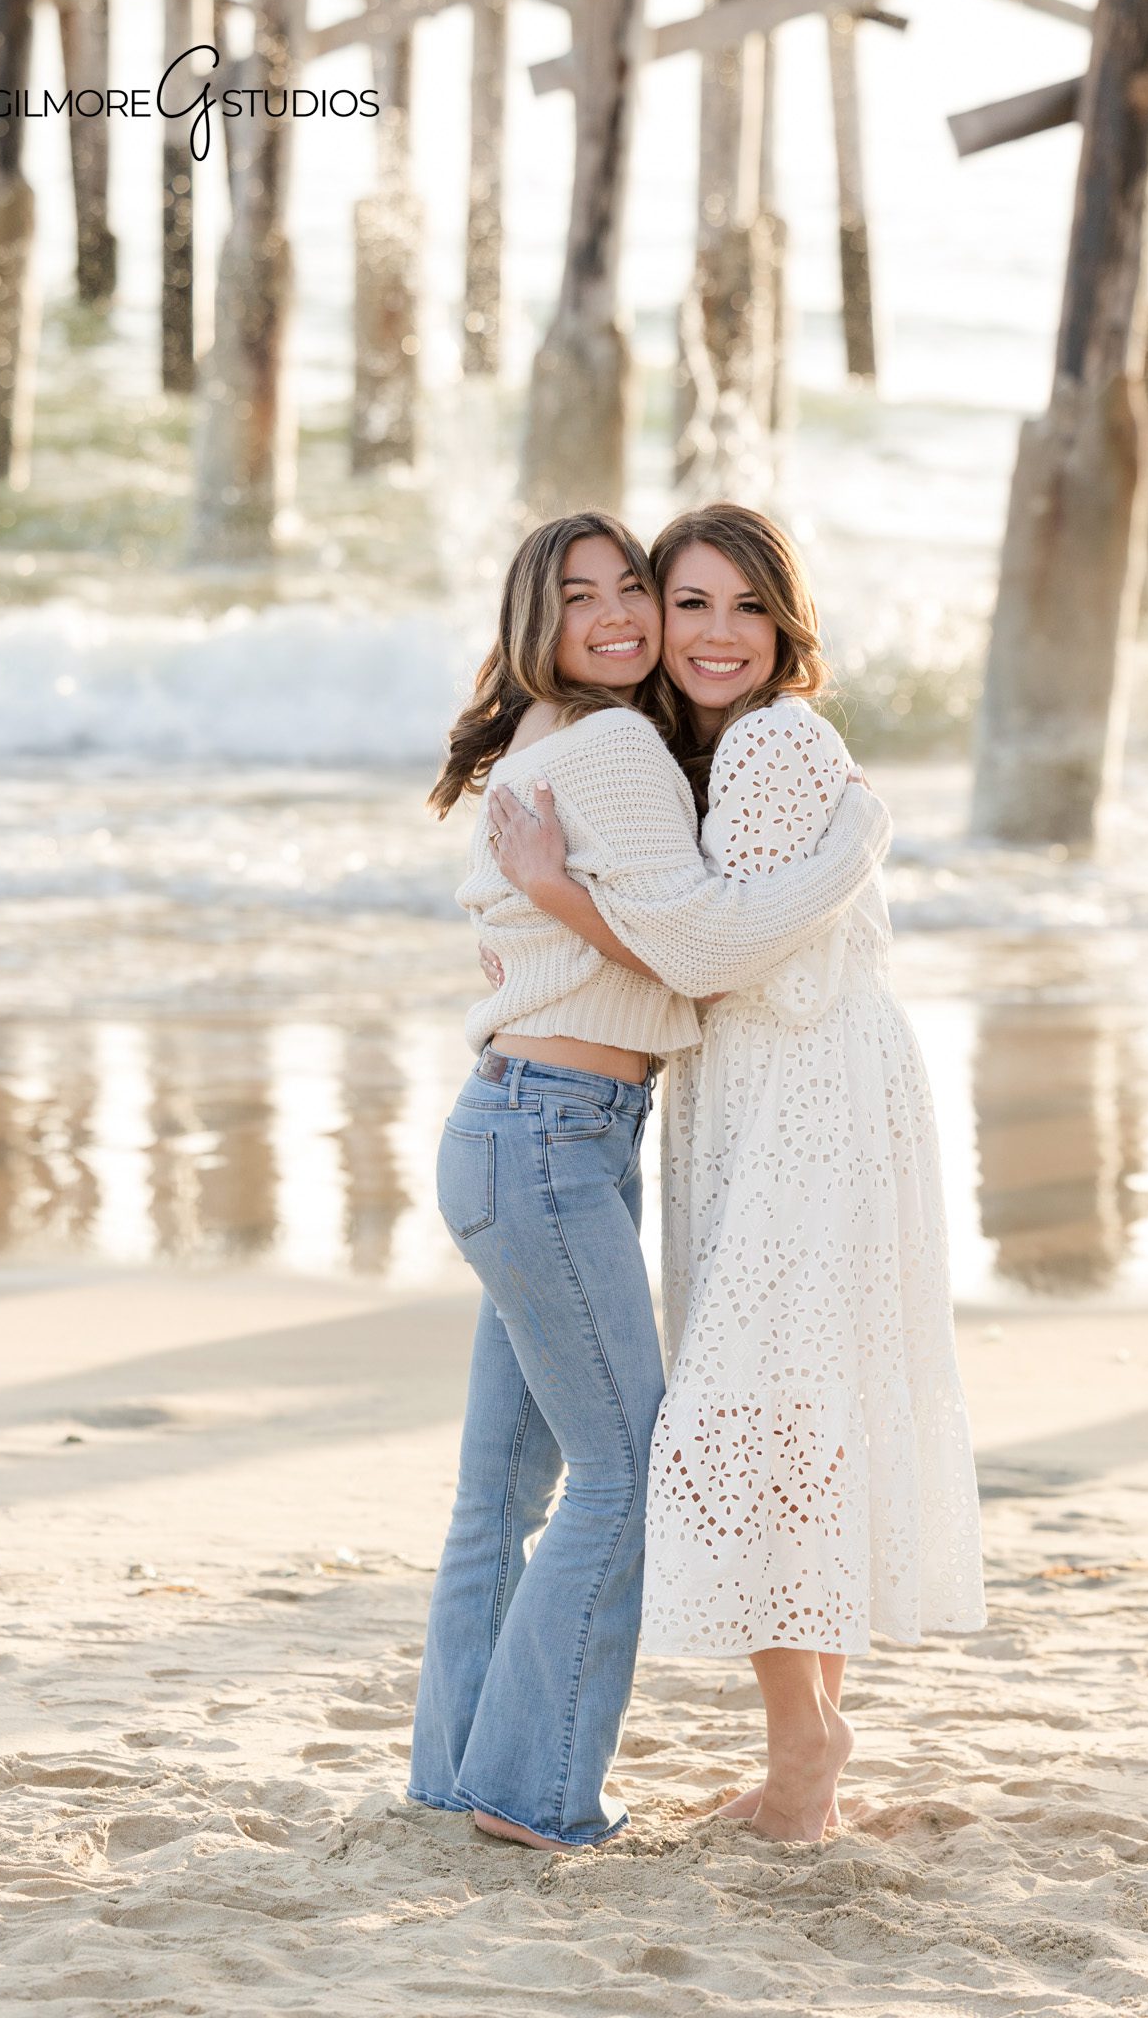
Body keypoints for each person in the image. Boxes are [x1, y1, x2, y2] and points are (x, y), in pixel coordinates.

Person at [484, 504, 986, 1845]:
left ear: (785, 624)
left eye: (744, 608)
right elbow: (697, 933)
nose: (713, 634)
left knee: (747, 1414)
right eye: (689, 604)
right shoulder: (700, 751)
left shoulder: (767, 744)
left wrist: (559, 895)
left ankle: (805, 1751)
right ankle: (801, 1749)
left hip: (805, 1098)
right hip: (775, 1089)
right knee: (783, 1404)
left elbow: (710, 953)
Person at [408, 510, 892, 1852]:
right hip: (556, 1135)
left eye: (635, 587)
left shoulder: (541, 739)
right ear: (535, 622)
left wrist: (554, 910)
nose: (623, 617)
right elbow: (700, 944)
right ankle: (532, 1795)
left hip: (520, 1126)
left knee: (501, 1492)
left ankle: (457, 1775)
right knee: (624, 1476)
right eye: (588, 597)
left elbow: (597, 930)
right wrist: (853, 847)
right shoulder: (613, 742)